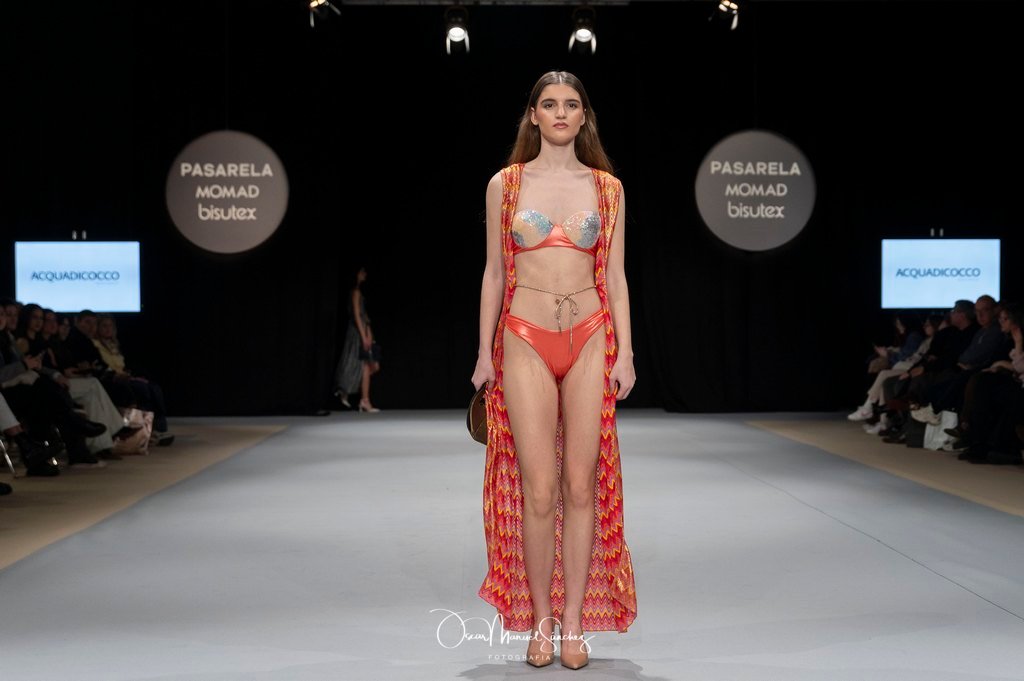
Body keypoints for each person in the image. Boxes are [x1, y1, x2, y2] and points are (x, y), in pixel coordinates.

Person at [470, 71, 638, 670]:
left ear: (584, 116)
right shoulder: (506, 184)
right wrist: (484, 352)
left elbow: (615, 275)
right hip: (523, 336)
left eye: (571, 104)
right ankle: (540, 622)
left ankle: (573, 624)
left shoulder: (608, 188)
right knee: (538, 490)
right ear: (533, 115)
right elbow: (494, 271)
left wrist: (627, 352)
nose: (561, 112)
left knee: (580, 486)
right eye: (549, 104)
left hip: (590, 335)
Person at [333, 266, 382, 412]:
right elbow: (356, 314)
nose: (364, 274)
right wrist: (363, 336)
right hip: (358, 332)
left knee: (373, 366)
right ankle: (364, 400)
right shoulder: (355, 292)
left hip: (365, 330)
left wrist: (370, 334)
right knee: (366, 365)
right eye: (361, 272)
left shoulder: (359, 292)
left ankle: (348, 388)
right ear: (355, 274)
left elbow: (364, 316)